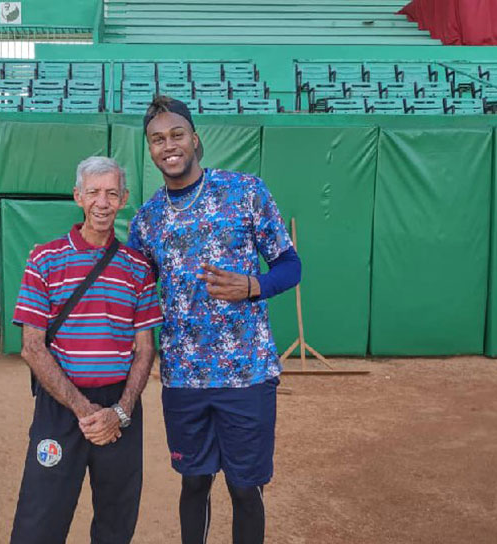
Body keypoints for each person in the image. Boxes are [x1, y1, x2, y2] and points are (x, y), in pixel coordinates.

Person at [128, 96, 302, 544]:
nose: (169, 145)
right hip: (184, 378)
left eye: (176, 134)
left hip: (247, 374)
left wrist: (253, 285)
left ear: (195, 139)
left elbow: (290, 265)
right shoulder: (146, 221)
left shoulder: (245, 191)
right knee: (194, 483)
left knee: (246, 488)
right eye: (157, 139)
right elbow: (138, 295)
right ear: (150, 150)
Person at [10, 156, 162, 544]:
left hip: (120, 409)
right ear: (78, 196)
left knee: (116, 520)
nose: (102, 201)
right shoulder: (44, 258)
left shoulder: (138, 267)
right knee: (39, 521)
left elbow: (145, 349)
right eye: (93, 192)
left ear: (124, 198)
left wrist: (122, 411)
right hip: (61, 409)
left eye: (112, 193)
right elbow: (32, 347)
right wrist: (84, 410)